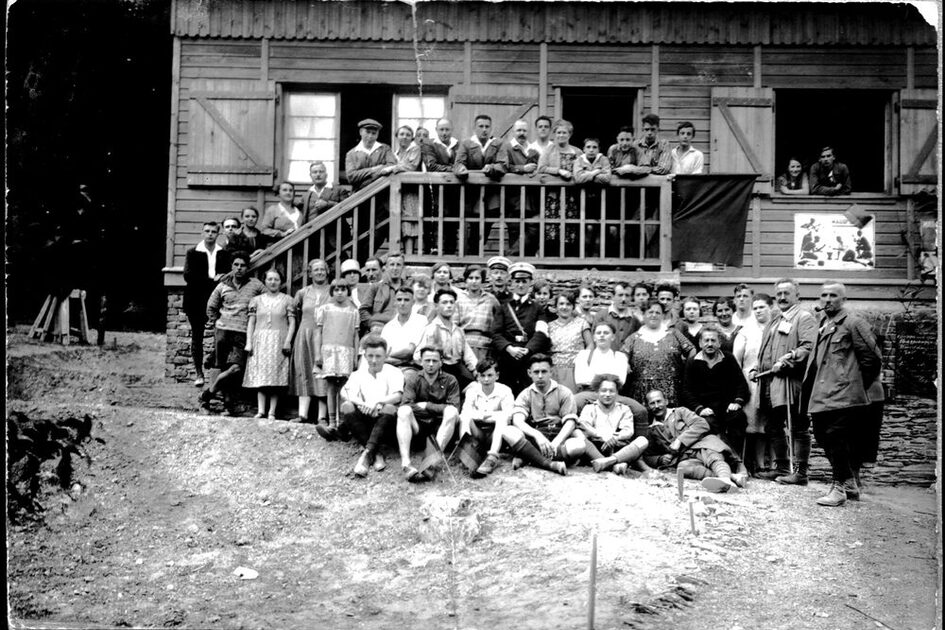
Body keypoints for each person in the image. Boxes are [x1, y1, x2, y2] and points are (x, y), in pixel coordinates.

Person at [802, 282, 881, 506]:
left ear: (843, 300)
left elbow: (872, 359)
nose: (827, 299)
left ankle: (838, 489)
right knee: (822, 436)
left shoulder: (854, 323)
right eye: (824, 295)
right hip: (822, 394)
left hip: (844, 395)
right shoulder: (823, 323)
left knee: (836, 438)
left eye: (833, 295)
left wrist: (853, 384)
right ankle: (849, 483)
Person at [753, 278, 817, 485]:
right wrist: (756, 368)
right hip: (769, 381)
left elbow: (809, 347)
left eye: (786, 293)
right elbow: (765, 350)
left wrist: (788, 360)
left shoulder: (804, 318)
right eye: (778, 294)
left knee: (798, 426)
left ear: (797, 295)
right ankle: (781, 467)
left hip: (790, 382)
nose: (781, 297)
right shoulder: (774, 319)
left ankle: (801, 473)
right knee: (773, 425)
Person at [642, 389, 749, 492]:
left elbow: (702, 424)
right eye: (652, 403)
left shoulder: (680, 412)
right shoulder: (651, 430)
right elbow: (647, 456)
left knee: (712, 456)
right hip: (686, 457)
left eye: (659, 401)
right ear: (647, 406)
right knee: (682, 468)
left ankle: (725, 478)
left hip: (703, 445)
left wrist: (680, 440)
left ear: (666, 401)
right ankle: (731, 478)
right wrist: (660, 459)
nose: (657, 406)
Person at [200, 251, 265, 415]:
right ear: (231, 266)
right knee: (221, 367)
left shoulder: (255, 285)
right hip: (223, 331)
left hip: (242, 332)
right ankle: (227, 405)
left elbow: (267, 299)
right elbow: (211, 306)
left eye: (243, 265)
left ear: (247, 268)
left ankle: (208, 394)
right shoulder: (223, 285)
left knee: (235, 369)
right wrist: (217, 323)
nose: (239, 268)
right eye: (236, 265)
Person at [501, 353, 580, 475]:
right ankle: (549, 464)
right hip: (535, 438)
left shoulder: (564, 392)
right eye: (536, 372)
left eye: (544, 371)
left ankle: (529, 456)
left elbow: (570, 422)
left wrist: (557, 441)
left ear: (551, 372)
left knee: (578, 446)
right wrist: (537, 436)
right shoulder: (526, 394)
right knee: (508, 431)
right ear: (529, 373)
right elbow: (517, 420)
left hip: (558, 435)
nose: (540, 376)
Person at [340, 335, 405, 477]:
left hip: (386, 421)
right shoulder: (358, 374)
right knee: (347, 406)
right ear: (364, 355)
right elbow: (345, 392)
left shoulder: (394, 372)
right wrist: (362, 403)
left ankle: (366, 455)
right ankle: (376, 453)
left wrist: (378, 402)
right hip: (366, 418)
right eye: (370, 356)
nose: (374, 360)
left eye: (378, 356)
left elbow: (398, 396)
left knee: (390, 407)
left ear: (386, 355)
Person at [680, 326, 750, 456]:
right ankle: (716, 457)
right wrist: (700, 409)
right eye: (706, 340)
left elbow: (741, 384)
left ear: (719, 343)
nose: (710, 344)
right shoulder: (692, 362)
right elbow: (686, 391)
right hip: (705, 408)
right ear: (700, 343)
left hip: (727, 407)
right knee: (706, 423)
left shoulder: (728, 358)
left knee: (738, 418)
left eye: (713, 340)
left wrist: (737, 402)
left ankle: (736, 457)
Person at [397, 346, 461, 482]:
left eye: (434, 360)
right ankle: (406, 464)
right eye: (427, 360)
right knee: (403, 411)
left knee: (451, 412)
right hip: (419, 427)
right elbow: (406, 403)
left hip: (441, 429)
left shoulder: (450, 380)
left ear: (441, 362)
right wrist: (437, 409)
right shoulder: (413, 378)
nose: (431, 364)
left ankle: (431, 463)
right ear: (421, 361)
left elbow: (454, 407)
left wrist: (427, 406)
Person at [243, 269, 296, 420]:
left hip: (278, 341)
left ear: (281, 282)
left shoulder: (287, 300)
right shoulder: (256, 300)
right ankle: (261, 410)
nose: (273, 282)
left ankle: (272, 411)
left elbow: (292, 323)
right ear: (265, 281)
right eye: (270, 279)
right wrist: (249, 342)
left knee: (275, 377)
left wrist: (288, 341)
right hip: (260, 341)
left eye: (276, 279)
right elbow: (251, 322)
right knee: (261, 376)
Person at [453, 114, 509, 254]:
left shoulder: (498, 143)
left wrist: (492, 168)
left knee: (485, 226)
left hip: (491, 194)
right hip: (472, 194)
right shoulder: (467, 144)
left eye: (487, 127)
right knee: (473, 226)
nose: (484, 129)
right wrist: (461, 170)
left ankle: (474, 254)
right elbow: (458, 163)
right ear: (474, 128)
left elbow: (503, 165)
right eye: (481, 126)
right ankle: (470, 256)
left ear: (491, 128)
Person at [623, 300, 696, 406]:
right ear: (644, 315)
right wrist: (625, 363)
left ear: (662, 316)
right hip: (642, 391)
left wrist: (687, 370)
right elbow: (623, 354)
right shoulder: (634, 337)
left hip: (671, 390)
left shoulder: (674, 333)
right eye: (650, 312)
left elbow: (692, 350)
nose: (654, 315)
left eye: (658, 313)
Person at [491, 262, 550, 393]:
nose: (521, 285)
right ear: (512, 283)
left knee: (529, 393)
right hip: (507, 359)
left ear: (530, 283)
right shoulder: (503, 307)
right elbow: (495, 333)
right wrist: (509, 348)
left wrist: (528, 349)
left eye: (524, 281)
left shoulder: (537, 308)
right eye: (517, 281)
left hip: (529, 359)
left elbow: (542, 333)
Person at [183, 221, 229, 387]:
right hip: (196, 299)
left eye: (213, 231)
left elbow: (226, 275)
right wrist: (212, 280)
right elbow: (189, 276)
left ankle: (214, 369)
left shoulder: (223, 253)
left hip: (218, 299)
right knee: (197, 336)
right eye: (207, 231)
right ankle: (199, 373)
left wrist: (220, 279)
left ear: (218, 234)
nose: (210, 234)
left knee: (221, 336)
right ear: (202, 233)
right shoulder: (193, 252)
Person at [313, 279, 360, 436]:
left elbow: (355, 335)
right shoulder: (325, 309)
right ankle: (332, 422)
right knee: (331, 386)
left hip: (346, 351)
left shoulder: (353, 311)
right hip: (329, 351)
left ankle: (343, 424)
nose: (340, 293)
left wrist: (355, 356)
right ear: (332, 292)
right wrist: (318, 354)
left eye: (343, 289)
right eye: (336, 289)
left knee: (344, 388)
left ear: (348, 292)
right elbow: (318, 332)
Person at [288, 259, 332, 424]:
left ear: (327, 271)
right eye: (316, 270)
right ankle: (303, 415)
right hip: (305, 335)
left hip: (326, 336)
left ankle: (322, 417)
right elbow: (293, 312)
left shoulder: (333, 291)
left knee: (323, 373)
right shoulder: (303, 293)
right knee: (304, 371)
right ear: (310, 273)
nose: (319, 272)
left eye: (322, 269)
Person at [733, 293, 773, 475]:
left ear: (770, 308)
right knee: (754, 424)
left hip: (774, 380)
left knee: (771, 424)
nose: (758, 311)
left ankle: (776, 465)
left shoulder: (777, 328)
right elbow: (736, 360)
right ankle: (758, 464)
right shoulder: (745, 331)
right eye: (755, 308)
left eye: (762, 307)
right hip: (751, 382)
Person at [578, 374, 650, 474]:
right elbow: (584, 425)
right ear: (597, 392)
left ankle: (608, 462)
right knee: (578, 434)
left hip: (617, 448)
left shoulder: (624, 409)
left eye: (611, 391)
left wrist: (615, 438)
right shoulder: (590, 408)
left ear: (617, 392)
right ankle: (613, 464)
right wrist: (603, 436)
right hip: (596, 447)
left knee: (642, 440)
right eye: (603, 391)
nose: (607, 394)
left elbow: (628, 430)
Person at [458, 359, 515, 477]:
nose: (486, 379)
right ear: (478, 376)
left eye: (490, 375)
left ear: (497, 376)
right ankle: (468, 453)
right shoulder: (472, 391)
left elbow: (508, 414)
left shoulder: (505, 390)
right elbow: (465, 412)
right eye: (482, 376)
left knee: (502, 418)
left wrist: (480, 415)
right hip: (477, 434)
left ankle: (492, 456)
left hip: (495, 435)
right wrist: (486, 415)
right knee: (465, 418)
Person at [412, 289, 478, 391]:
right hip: (439, 372)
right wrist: (431, 369)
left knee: (475, 388)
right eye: (444, 302)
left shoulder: (458, 331)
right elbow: (417, 356)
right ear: (436, 306)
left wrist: (476, 370)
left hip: (457, 369)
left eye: (452, 302)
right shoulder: (430, 329)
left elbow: (469, 356)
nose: (449, 305)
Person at [537, 119, 582, 255]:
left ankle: (568, 258)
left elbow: (584, 168)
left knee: (570, 228)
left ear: (570, 134)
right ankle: (550, 257)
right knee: (552, 228)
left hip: (572, 198)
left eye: (564, 133)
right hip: (553, 197)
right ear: (554, 134)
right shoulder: (549, 150)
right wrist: (559, 171)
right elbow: (541, 168)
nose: (561, 135)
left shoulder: (577, 152)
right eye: (558, 132)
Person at [504, 119, 541, 255]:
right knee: (515, 230)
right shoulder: (507, 148)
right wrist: (522, 168)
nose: (522, 133)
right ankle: (513, 258)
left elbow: (540, 168)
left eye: (524, 130)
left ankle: (523, 260)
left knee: (534, 230)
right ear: (513, 132)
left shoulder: (534, 151)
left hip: (532, 199)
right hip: (514, 199)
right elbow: (504, 166)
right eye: (519, 130)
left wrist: (536, 172)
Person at [573, 321, 630, 409]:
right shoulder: (584, 355)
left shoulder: (620, 357)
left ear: (613, 337)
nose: (602, 335)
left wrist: (593, 376)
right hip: (588, 394)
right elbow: (581, 379)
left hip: (612, 394)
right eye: (598, 333)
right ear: (594, 337)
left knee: (640, 410)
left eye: (606, 333)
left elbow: (620, 380)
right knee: (575, 402)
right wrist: (609, 376)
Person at [548, 292, 592, 393]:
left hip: (575, 370)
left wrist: (583, 360)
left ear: (573, 307)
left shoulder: (581, 323)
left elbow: (590, 344)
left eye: (568, 304)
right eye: (561, 304)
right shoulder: (550, 326)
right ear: (556, 307)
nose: (564, 307)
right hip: (555, 370)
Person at [455, 264, 500, 362]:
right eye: (470, 278)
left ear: (482, 280)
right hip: (464, 344)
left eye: (477, 278)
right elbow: (454, 325)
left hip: (486, 345)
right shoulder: (458, 299)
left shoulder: (491, 299)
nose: (474, 281)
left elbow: (498, 324)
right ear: (466, 280)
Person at [358, 251, 407, 335]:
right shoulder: (376, 287)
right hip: (380, 329)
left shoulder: (408, 288)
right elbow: (363, 310)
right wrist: (372, 325)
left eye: (398, 265)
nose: (395, 268)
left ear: (403, 268)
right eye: (392, 265)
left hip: (402, 329)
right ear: (386, 267)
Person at [344, 118, 400, 190]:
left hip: (382, 191)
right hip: (360, 193)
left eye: (374, 133)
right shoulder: (351, 154)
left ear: (377, 135)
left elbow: (392, 165)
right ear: (361, 132)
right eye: (367, 132)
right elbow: (351, 176)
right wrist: (373, 170)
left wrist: (364, 176)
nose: (370, 136)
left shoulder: (385, 149)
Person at [380, 285, 426, 371]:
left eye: (406, 300)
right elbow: (381, 355)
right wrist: (399, 360)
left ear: (413, 302)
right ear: (394, 302)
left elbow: (409, 352)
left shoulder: (421, 321)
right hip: (389, 367)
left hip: (412, 368)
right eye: (399, 299)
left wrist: (388, 356)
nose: (402, 303)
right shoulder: (388, 327)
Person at [393, 125, 423, 253]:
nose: (404, 137)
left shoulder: (415, 149)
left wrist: (393, 168)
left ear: (412, 138)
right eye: (401, 134)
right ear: (397, 137)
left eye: (408, 135)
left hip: (411, 191)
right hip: (397, 192)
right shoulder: (395, 154)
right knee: (398, 221)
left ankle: (409, 255)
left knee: (410, 221)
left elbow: (411, 166)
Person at [592, 281, 641, 350]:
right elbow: (594, 341)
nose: (623, 299)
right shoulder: (601, 316)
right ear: (613, 297)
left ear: (631, 298)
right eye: (620, 295)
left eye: (627, 295)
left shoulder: (634, 320)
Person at [300, 161, 346, 225]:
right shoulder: (306, 196)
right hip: (312, 230)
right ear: (310, 175)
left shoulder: (339, 190)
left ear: (326, 175)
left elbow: (348, 210)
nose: (318, 174)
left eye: (321, 171)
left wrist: (328, 204)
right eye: (315, 172)